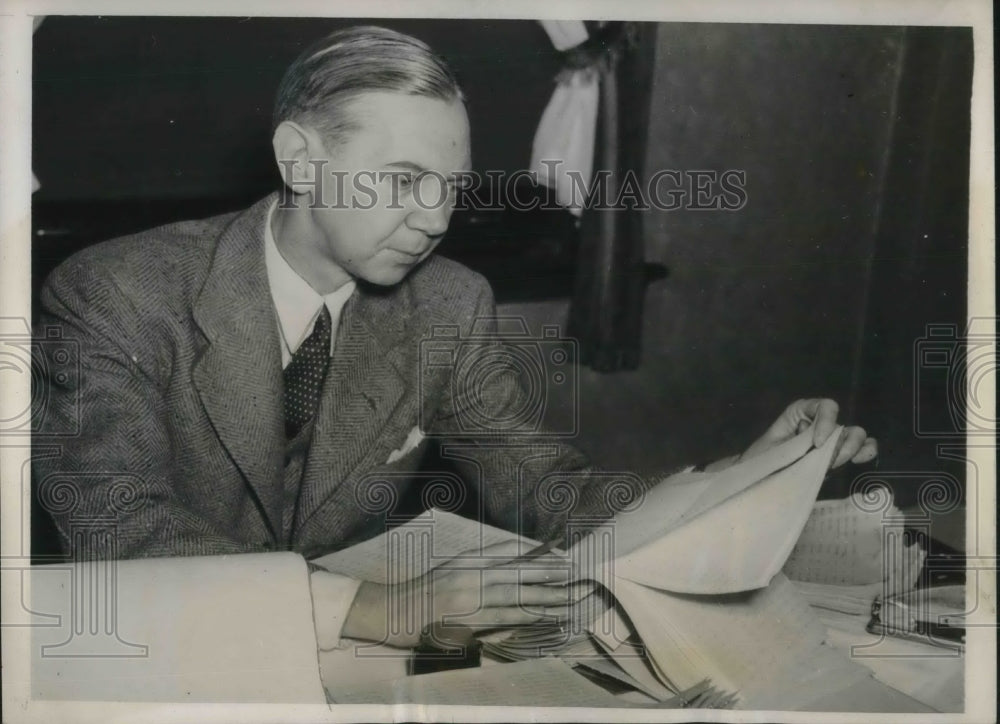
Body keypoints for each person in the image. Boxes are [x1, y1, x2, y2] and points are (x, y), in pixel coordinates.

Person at [32, 25, 877, 649]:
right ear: (300, 159)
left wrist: (742, 475)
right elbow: (115, 527)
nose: (436, 219)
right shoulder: (115, 293)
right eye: (405, 179)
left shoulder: (450, 303)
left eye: (452, 186)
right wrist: (374, 612)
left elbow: (549, 491)